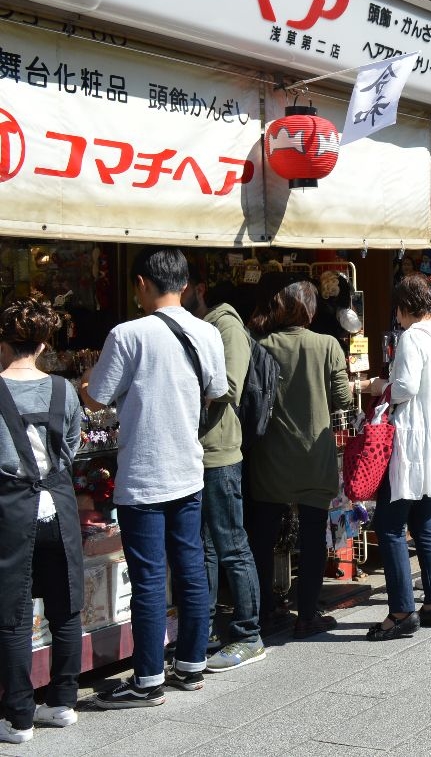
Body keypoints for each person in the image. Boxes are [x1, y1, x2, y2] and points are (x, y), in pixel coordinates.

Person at [82, 248, 228, 707]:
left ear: (142, 283)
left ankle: (147, 680)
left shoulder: (127, 334)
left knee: (148, 578)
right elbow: (217, 391)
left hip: (143, 474)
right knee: (189, 568)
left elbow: (97, 398)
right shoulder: (206, 332)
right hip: (188, 469)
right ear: (184, 284)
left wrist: (86, 383)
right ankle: (191, 665)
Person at [245, 277, 352, 640]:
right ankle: (306, 615)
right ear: (309, 308)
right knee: (311, 540)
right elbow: (343, 399)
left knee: (260, 540)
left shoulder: (259, 344)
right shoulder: (328, 345)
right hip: (313, 457)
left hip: (269, 459)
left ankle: (261, 612)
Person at [0, 300, 83, 743]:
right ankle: (63, 702)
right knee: (65, 606)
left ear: (3, 342)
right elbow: (70, 448)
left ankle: (18, 717)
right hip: (58, 504)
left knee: (12, 614)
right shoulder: (63, 390)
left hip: (11, 509)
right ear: (43, 342)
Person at [364, 276, 431, 638]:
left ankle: (402, 611)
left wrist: (379, 386)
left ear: (404, 308)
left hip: (412, 442)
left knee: (389, 526)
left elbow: (404, 388)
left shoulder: (411, 339)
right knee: (426, 521)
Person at [181, 278, 264, 671]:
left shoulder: (225, 323)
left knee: (231, 543)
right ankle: (208, 629)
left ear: (199, 288)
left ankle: (249, 634)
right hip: (196, 450)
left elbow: (231, 384)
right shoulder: (201, 322)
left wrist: (179, 387)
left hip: (220, 451)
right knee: (206, 547)